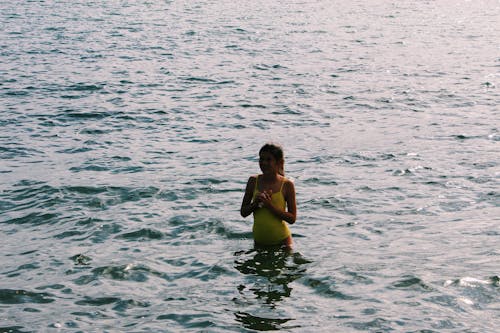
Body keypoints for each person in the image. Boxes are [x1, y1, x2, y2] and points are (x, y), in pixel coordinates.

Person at [240, 143, 297, 248]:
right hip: (259, 243)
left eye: (268, 159)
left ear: (278, 163)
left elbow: (292, 218)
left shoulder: (287, 185)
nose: (264, 163)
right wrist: (255, 204)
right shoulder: (253, 181)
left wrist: (269, 206)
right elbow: (243, 212)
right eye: (261, 159)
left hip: (282, 243)